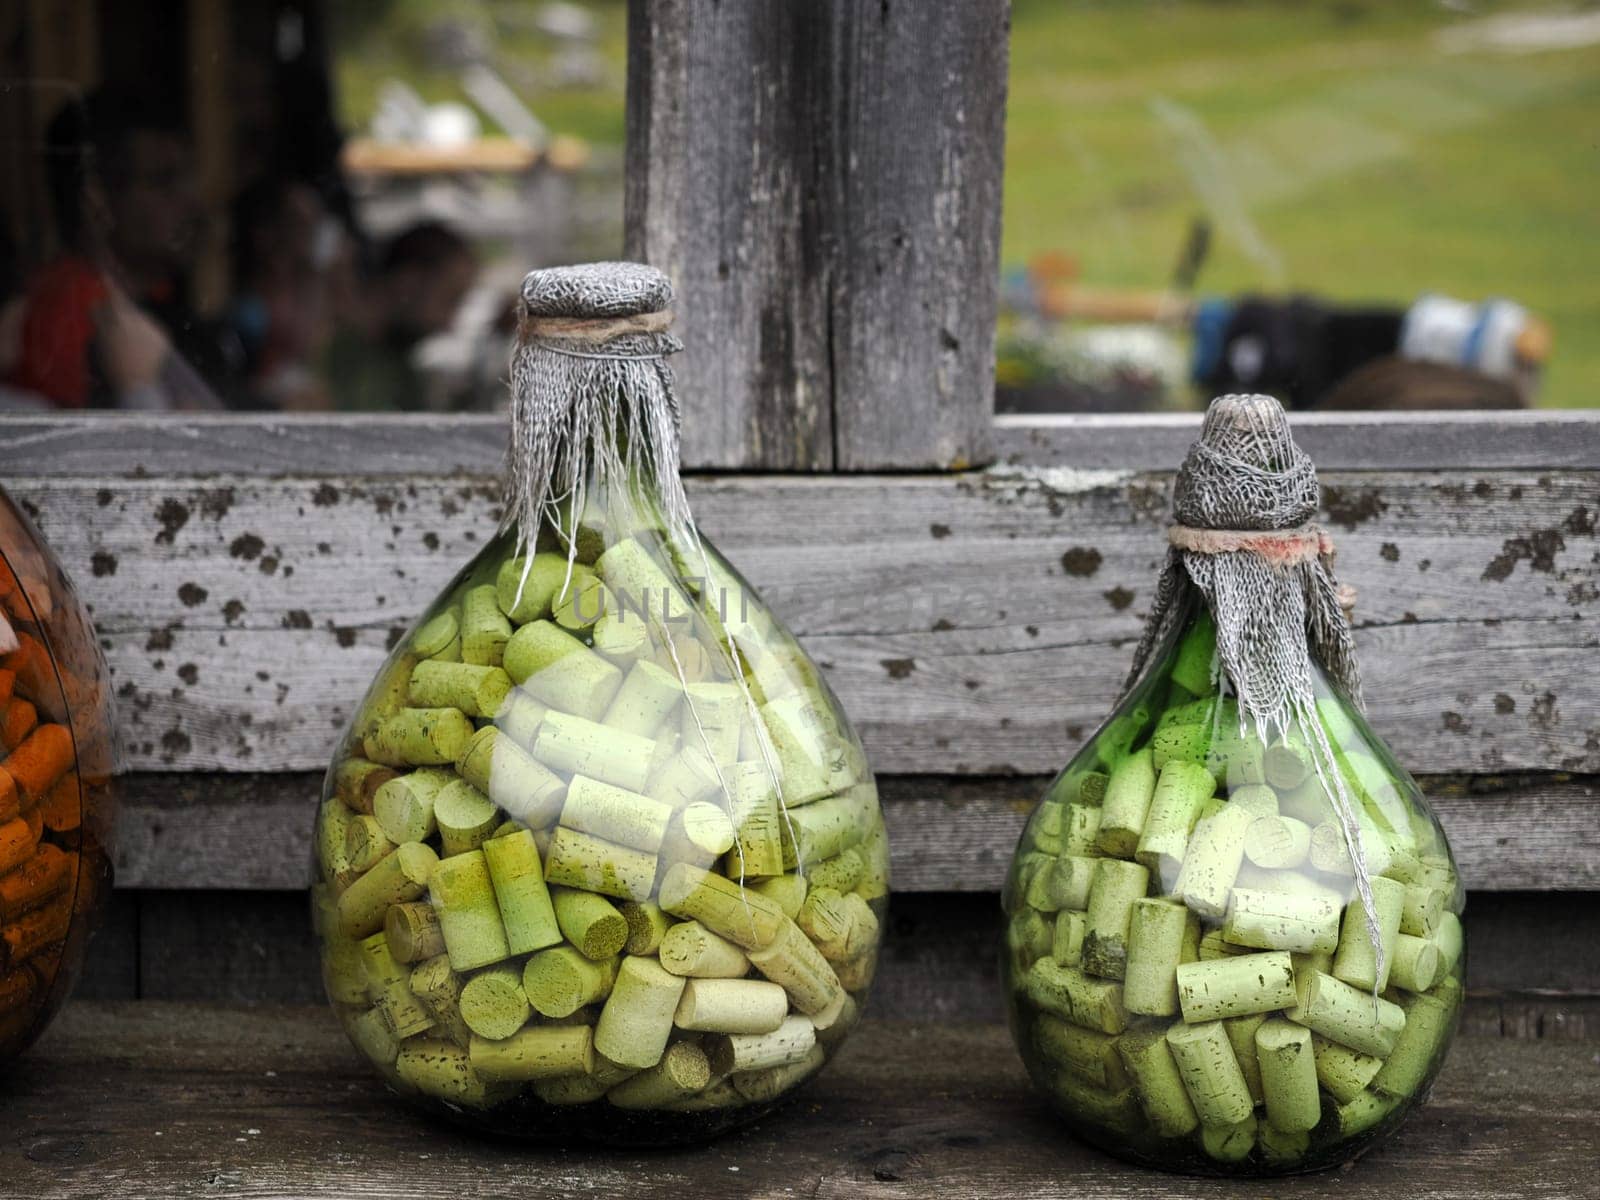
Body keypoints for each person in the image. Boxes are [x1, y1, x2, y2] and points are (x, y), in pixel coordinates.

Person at [5, 90, 223, 410]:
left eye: (188, 179)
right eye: (163, 181)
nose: (192, 203)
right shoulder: (65, 317)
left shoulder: (156, 301)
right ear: (97, 200)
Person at [322, 220, 477, 411]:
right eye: (448, 299)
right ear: (407, 283)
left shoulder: (403, 374)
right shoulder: (323, 356)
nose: (449, 323)